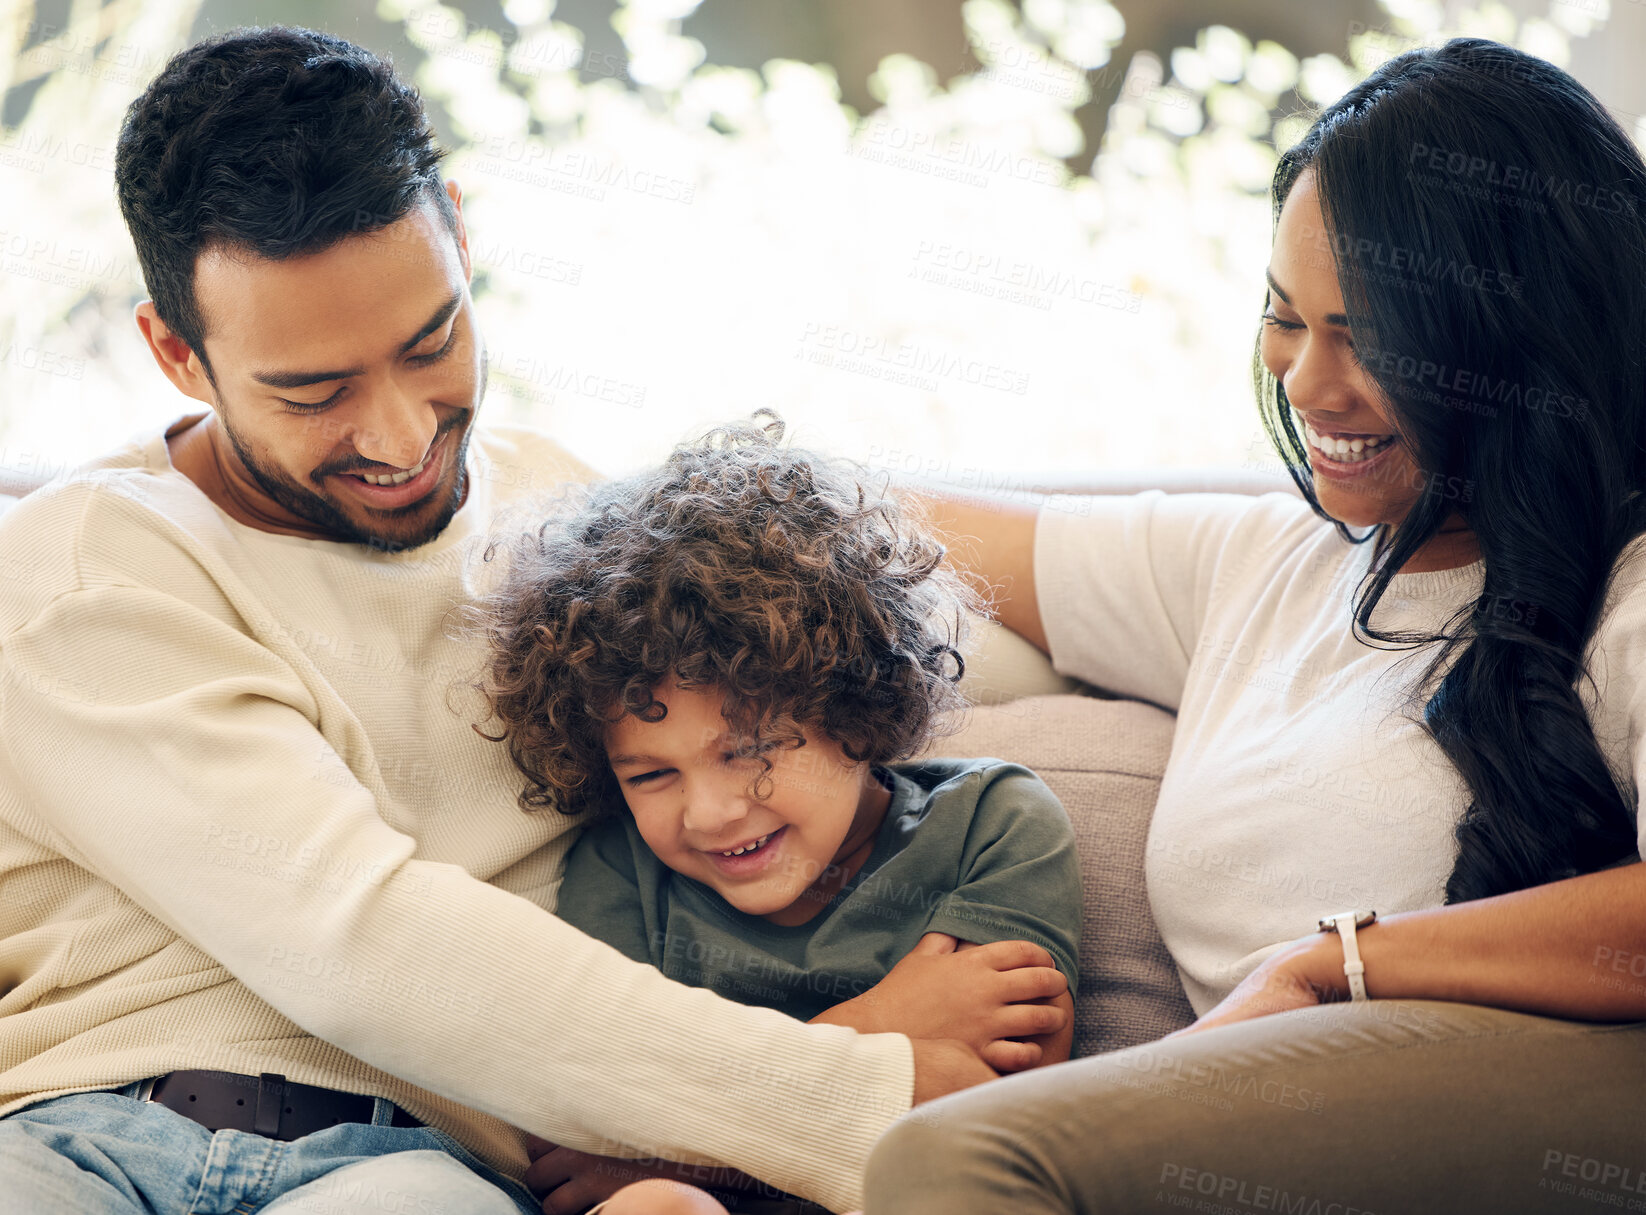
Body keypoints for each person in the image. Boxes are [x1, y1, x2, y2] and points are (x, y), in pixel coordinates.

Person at [0, 28, 1003, 1215]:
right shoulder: (83, 573)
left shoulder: (577, 528)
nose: (398, 433)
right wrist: (848, 1087)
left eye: (432, 345)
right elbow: (354, 938)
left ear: (462, 239)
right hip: (89, 1136)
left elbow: (857, 651)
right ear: (178, 354)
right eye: (312, 393)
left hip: (409, 1168)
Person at [863, 37, 1646, 1214]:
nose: (1308, 385)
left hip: (1552, 1094)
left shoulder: (1628, 586)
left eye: (1373, 338)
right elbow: (886, 524)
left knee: (956, 1162)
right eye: (1287, 319)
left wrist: (1335, 963)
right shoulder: (1266, 560)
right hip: (1274, 1124)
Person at [469, 418, 1083, 1213]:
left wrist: (691, 1135)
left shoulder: (992, 822)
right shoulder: (624, 865)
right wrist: (884, 1022)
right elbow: (581, 1155)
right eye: (653, 773)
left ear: (854, 705)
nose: (712, 812)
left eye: (748, 748)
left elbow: (992, 1108)